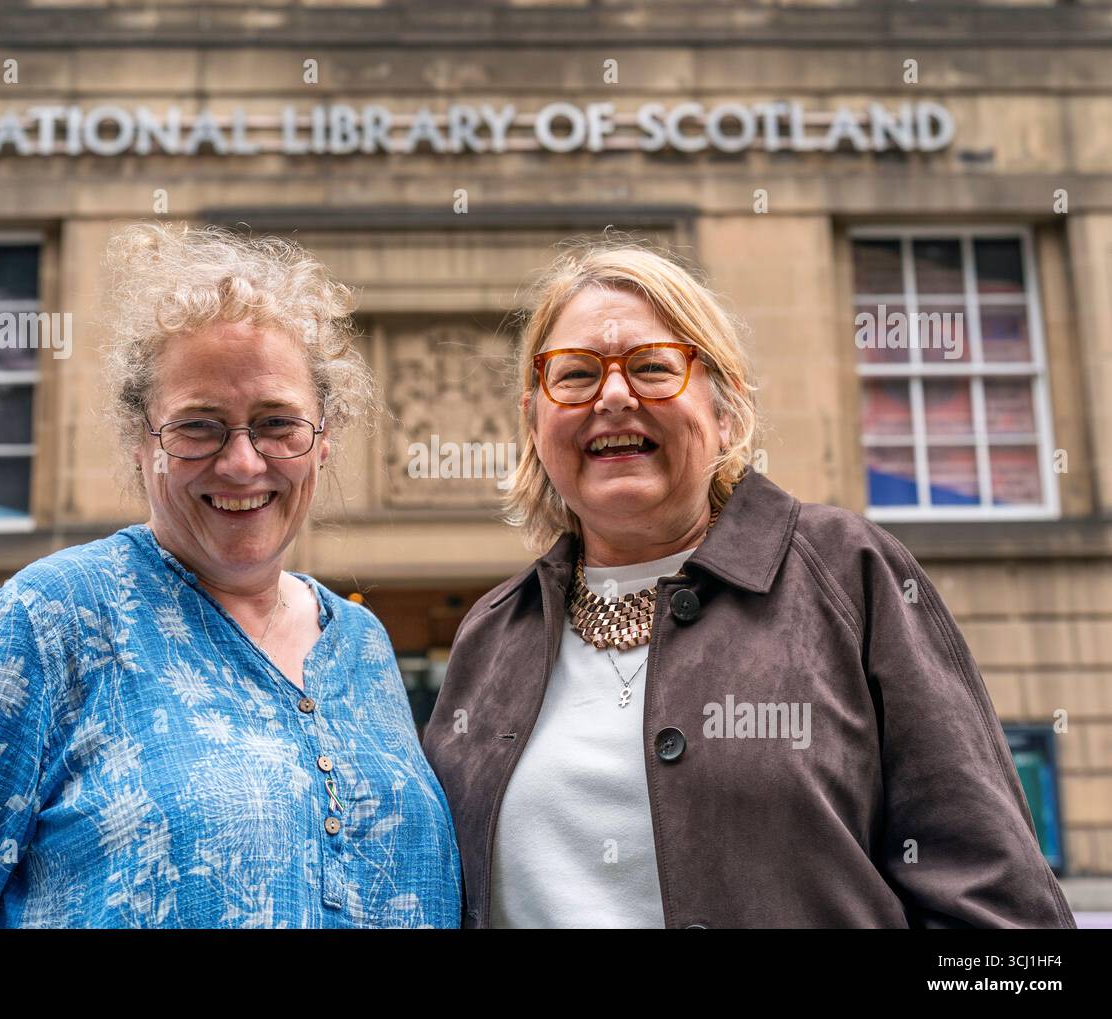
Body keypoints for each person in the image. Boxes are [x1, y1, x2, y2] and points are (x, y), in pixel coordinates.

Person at [423, 241, 1075, 929]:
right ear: (534, 419)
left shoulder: (848, 576)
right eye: (577, 374)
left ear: (725, 410)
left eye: (652, 366)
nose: (613, 396)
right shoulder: (491, 633)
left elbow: (1006, 921)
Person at [0, 223, 461, 928]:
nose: (243, 463)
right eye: (199, 426)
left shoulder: (366, 646)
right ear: (142, 442)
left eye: (277, 423)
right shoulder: (48, 622)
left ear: (323, 440)